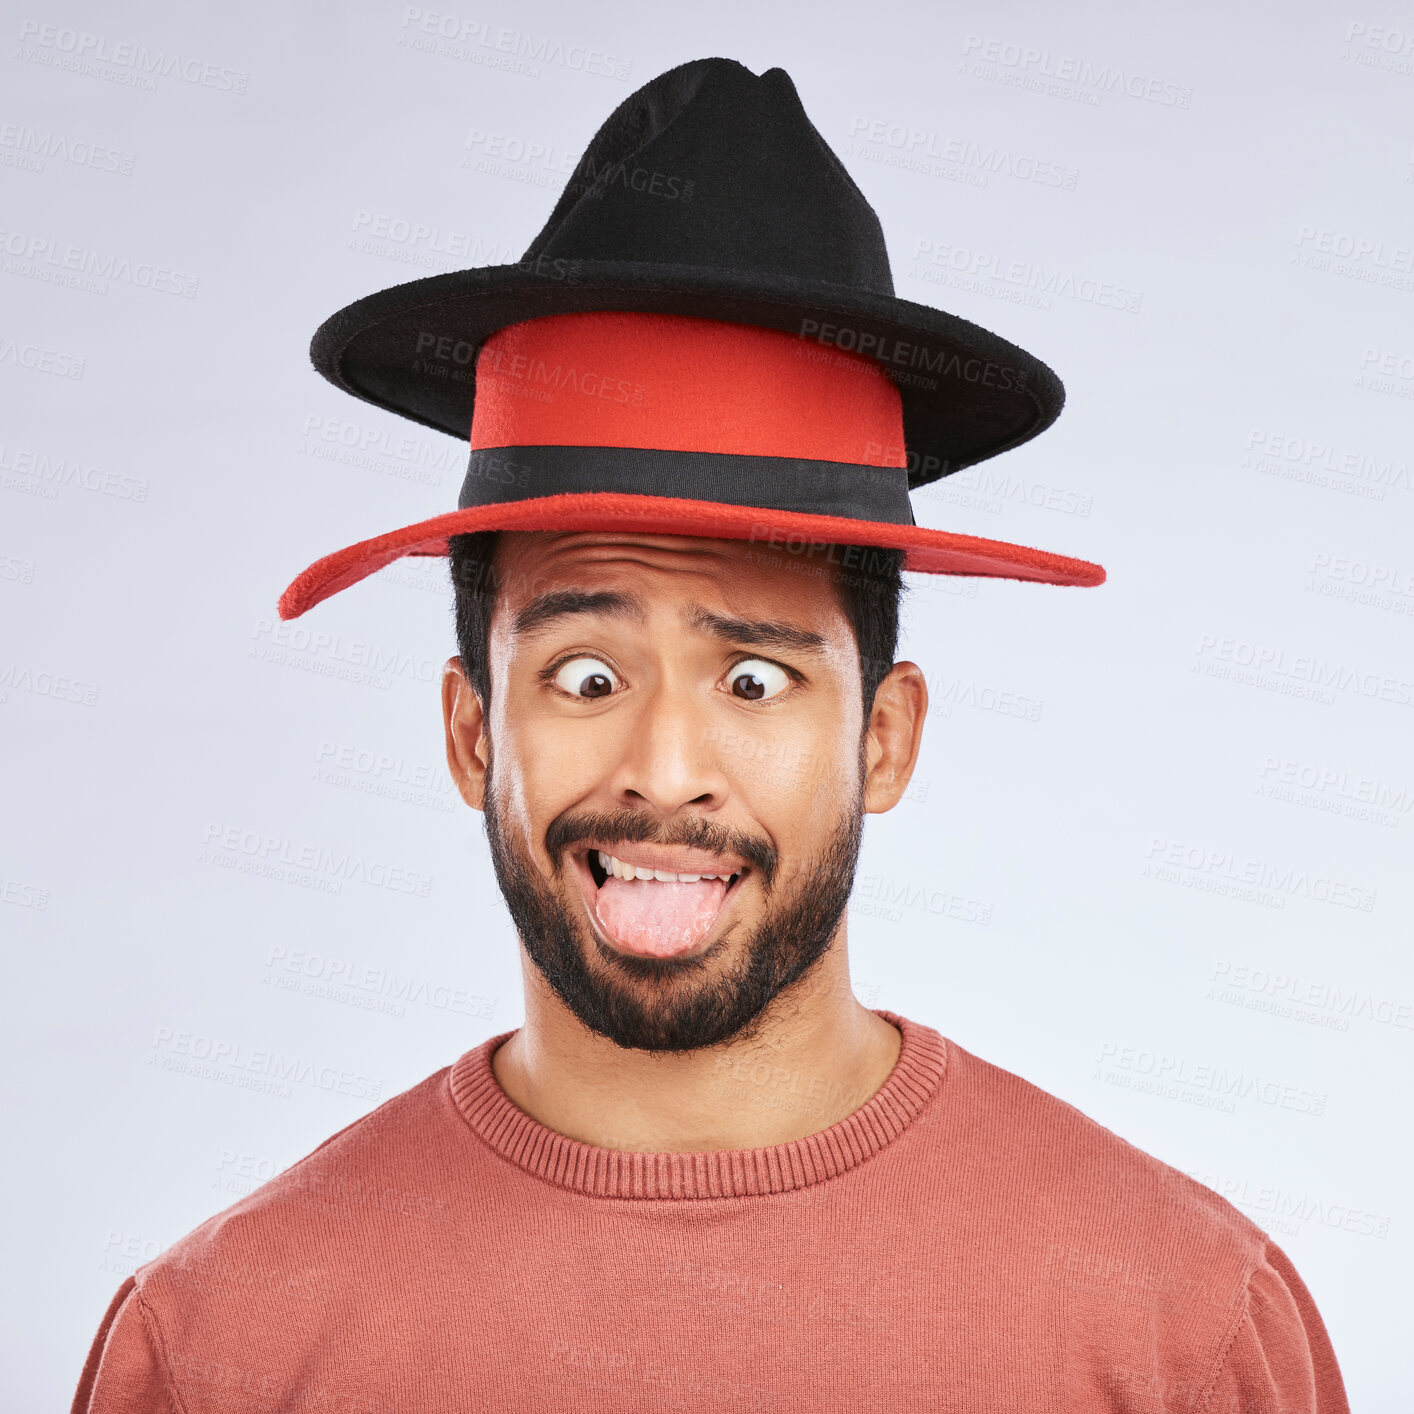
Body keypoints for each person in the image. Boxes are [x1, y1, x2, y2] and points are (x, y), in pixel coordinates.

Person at [73, 57, 1349, 1412]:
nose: (665, 769)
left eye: (753, 680)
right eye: (578, 673)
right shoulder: (223, 1344)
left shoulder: (1181, 1324)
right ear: (467, 732)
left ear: (884, 736)